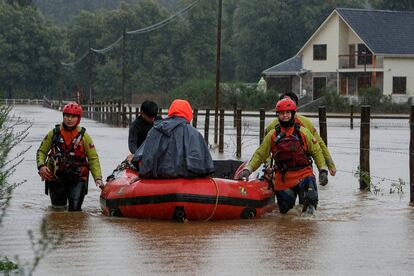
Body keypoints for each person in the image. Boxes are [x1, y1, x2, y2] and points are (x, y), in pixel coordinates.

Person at [238, 98, 328, 215]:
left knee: (310, 203)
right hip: (283, 178)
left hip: (304, 174)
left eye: (287, 113)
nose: (284, 116)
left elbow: (317, 152)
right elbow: (260, 154)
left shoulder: (304, 133)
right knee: (286, 213)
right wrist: (248, 170)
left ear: (293, 114)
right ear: (277, 115)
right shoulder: (272, 135)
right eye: (281, 113)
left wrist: (323, 170)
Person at [36, 102, 104, 211]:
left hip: (78, 178)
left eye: (73, 117)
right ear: (63, 116)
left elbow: (93, 158)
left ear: (79, 119)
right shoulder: (53, 133)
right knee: (57, 211)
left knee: (75, 211)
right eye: (67, 116)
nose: (69, 119)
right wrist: (41, 166)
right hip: (56, 177)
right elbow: (41, 151)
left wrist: (98, 178)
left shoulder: (84, 137)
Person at [132, 99, 214, 179]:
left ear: (170, 111)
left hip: (159, 176)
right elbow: (206, 165)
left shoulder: (156, 129)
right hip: (187, 177)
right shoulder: (195, 134)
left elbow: (146, 158)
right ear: (189, 113)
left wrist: (142, 175)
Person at [265, 92, 335, 185]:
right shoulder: (271, 127)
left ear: (295, 108)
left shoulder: (306, 123)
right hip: (282, 172)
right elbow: (264, 151)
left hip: (304, 170)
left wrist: (329, 166)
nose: (285, 111)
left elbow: (319, 146)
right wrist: (268, 166)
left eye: (289, 105)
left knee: (310, 195)